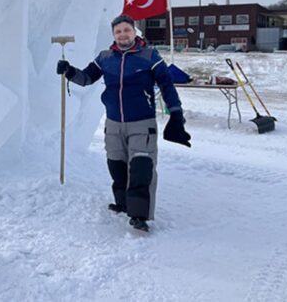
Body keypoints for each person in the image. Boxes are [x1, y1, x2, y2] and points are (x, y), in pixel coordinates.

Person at [56, 14, 191, 233]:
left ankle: (139, 215)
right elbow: (87, 78)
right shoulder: (105, 57)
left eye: (126, 30)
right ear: (113, 35)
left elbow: (166, 84)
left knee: (141, 167)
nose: (122, 34)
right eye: (118, 31)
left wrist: (176, 114)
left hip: (142, 122)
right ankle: (123, 202)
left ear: (134, 31)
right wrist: (69, 71)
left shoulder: (149, 55)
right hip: (114, 122)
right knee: (116, 165)